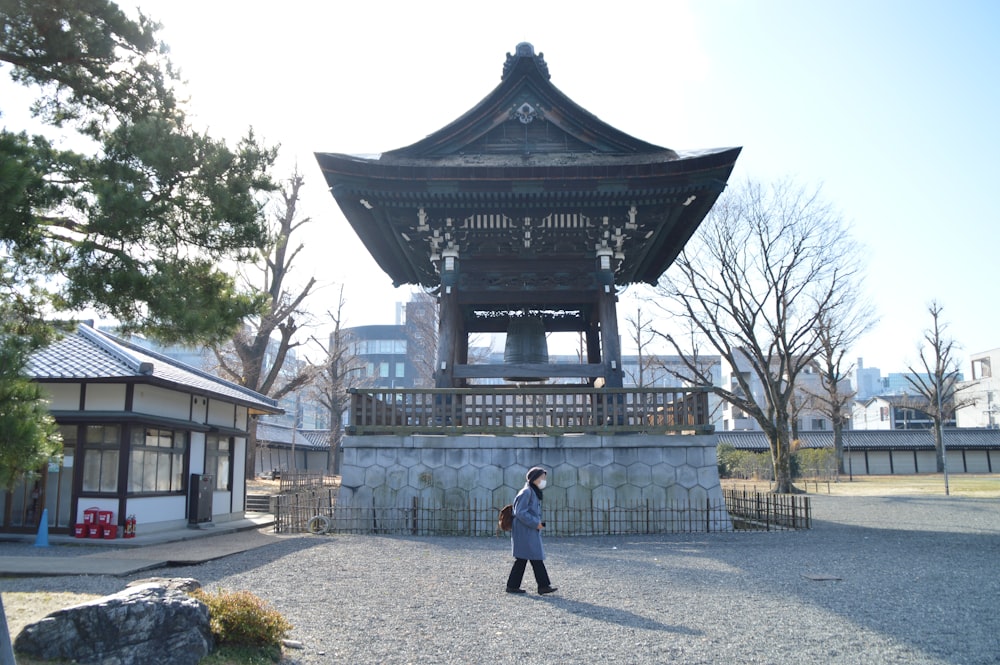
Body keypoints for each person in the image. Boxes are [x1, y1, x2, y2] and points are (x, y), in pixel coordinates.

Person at [505, 466, 558, 595]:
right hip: (526, 530)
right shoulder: (527, 492)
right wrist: (536, 524)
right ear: (534, 478)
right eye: (542, 478)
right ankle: (543, 586)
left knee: (524, 558)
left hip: (527, 530)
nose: (543, 480)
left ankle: (514, 586)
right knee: (534, 557)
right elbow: (520, 512)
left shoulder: (530, 491)